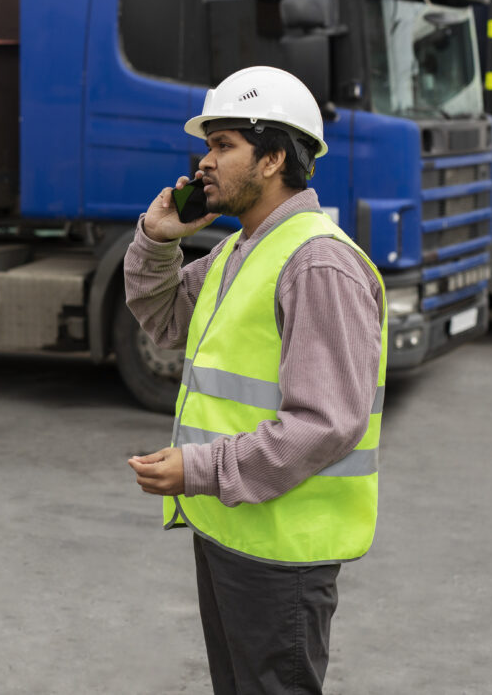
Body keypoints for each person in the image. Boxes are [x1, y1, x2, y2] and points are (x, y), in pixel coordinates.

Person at [123, 66, 387, 694]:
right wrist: (158, 240)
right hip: (233, 528)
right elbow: (162, 319)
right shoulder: (239, 250)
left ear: (272, 159)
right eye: (206, 146)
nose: (203, 163)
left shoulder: (317, 263)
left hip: (283, 551)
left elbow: (327, 423)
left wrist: (199, 469)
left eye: (222, 146)